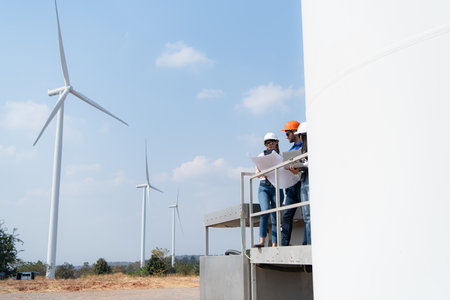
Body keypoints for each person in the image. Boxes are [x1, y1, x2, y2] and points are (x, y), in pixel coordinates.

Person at [254, 132, 284, 247]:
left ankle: (275, 243)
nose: (269, 145)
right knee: (265, 211)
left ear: (276, 143)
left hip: (277, 185)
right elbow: (257, 173)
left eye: (271, 143)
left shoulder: (280, 157)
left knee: (276, 214)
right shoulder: (261, 155)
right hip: (264, 186)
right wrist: (262, 172)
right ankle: (262, 240)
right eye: (267, 143)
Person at [281, 120, 303, 246]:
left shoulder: (304, 147)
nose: (286, 137)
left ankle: (307, 242)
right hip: (292, 186)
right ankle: (284, 243)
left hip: (301, 183)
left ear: (295, 132)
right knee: (287, 215)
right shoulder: (291, 150)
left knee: (307, 213)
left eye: (288, 134)